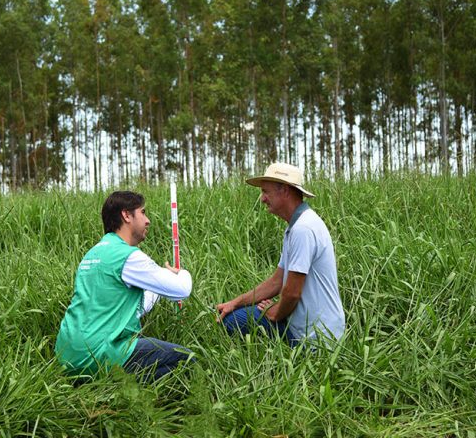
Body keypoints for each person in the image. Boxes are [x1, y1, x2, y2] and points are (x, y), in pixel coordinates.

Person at [55, 190, 194, 381]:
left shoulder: (92, 255)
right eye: (143, 212)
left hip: (68, 356)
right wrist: (180, 273)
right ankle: (128, 394)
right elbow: (182, 290)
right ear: (126, 215)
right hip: (98, 353)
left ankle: (109, 389)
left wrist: (158, 285)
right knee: (187, 359)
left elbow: (131, 308)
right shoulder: (128, 256)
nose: (148, 221)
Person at [216, 162, 345, 346]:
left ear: (284, 190)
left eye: (265, 191)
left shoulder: (303, 229)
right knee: (235, 314)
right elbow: (277, 282)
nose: (262, 199)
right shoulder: (296, 226)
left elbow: (292, 293)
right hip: (310, 328)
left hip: (316, 338)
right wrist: (235, 303)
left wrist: (274, 312)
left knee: (233, 322)